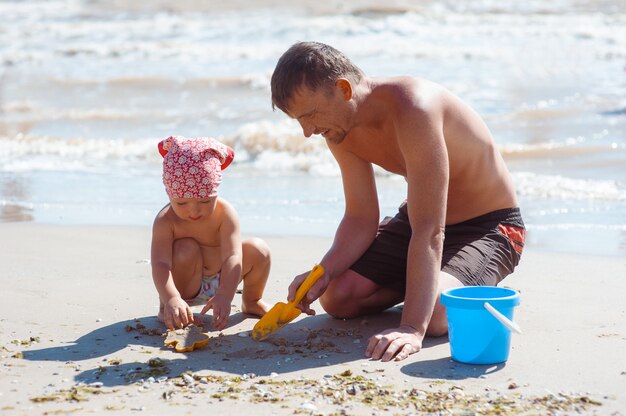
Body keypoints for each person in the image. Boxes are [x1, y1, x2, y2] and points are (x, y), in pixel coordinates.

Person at [271, 41, 525, 362]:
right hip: (419, 220)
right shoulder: (338, 129)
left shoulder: (414, 107)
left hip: (490, 226)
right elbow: (361, 217)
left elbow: (430, 231)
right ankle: (427, 281)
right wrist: (324, 270)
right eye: (298, 121)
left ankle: (433, 288)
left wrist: (411, 327)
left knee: (432, 318)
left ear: (344, 89)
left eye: (309, 115)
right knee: (337, 297)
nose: (307, 131)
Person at [151, 135, 271, 331]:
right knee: (185, 248)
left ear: (215, 192)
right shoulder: (166, 220)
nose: (193, 211)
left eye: (205, 201)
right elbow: (160, 264)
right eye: (181, 203)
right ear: (169, 194)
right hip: (185, 285)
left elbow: (233, 256)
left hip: (223, 281)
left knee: (259, 249)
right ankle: (170, 307)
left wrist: (225, 295)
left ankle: (252, 300)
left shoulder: (225, 213)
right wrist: (171, 297)